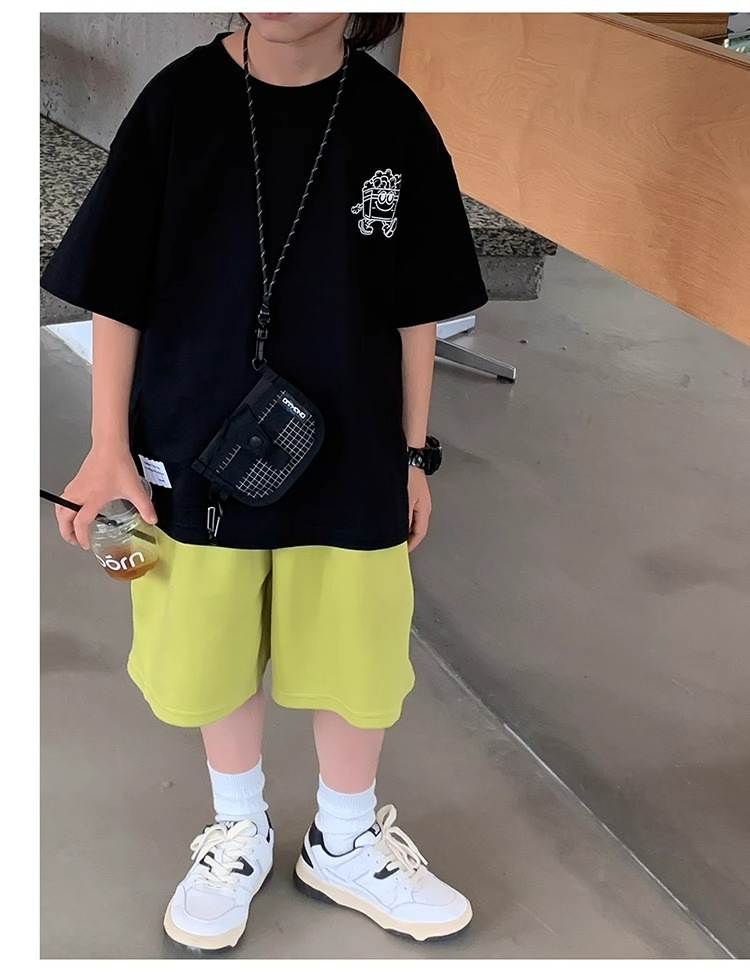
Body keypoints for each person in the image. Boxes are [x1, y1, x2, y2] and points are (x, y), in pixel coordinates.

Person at [41, 12, 488, 952]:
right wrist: (107, 445)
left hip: (357, 448)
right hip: (189, 442)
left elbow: (416, 309)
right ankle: (237, 826)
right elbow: (117, 286)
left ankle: (346, 837)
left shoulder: (394, 119)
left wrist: (413, 455)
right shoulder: (176, 105)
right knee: (206, 640)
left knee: (359, 651)